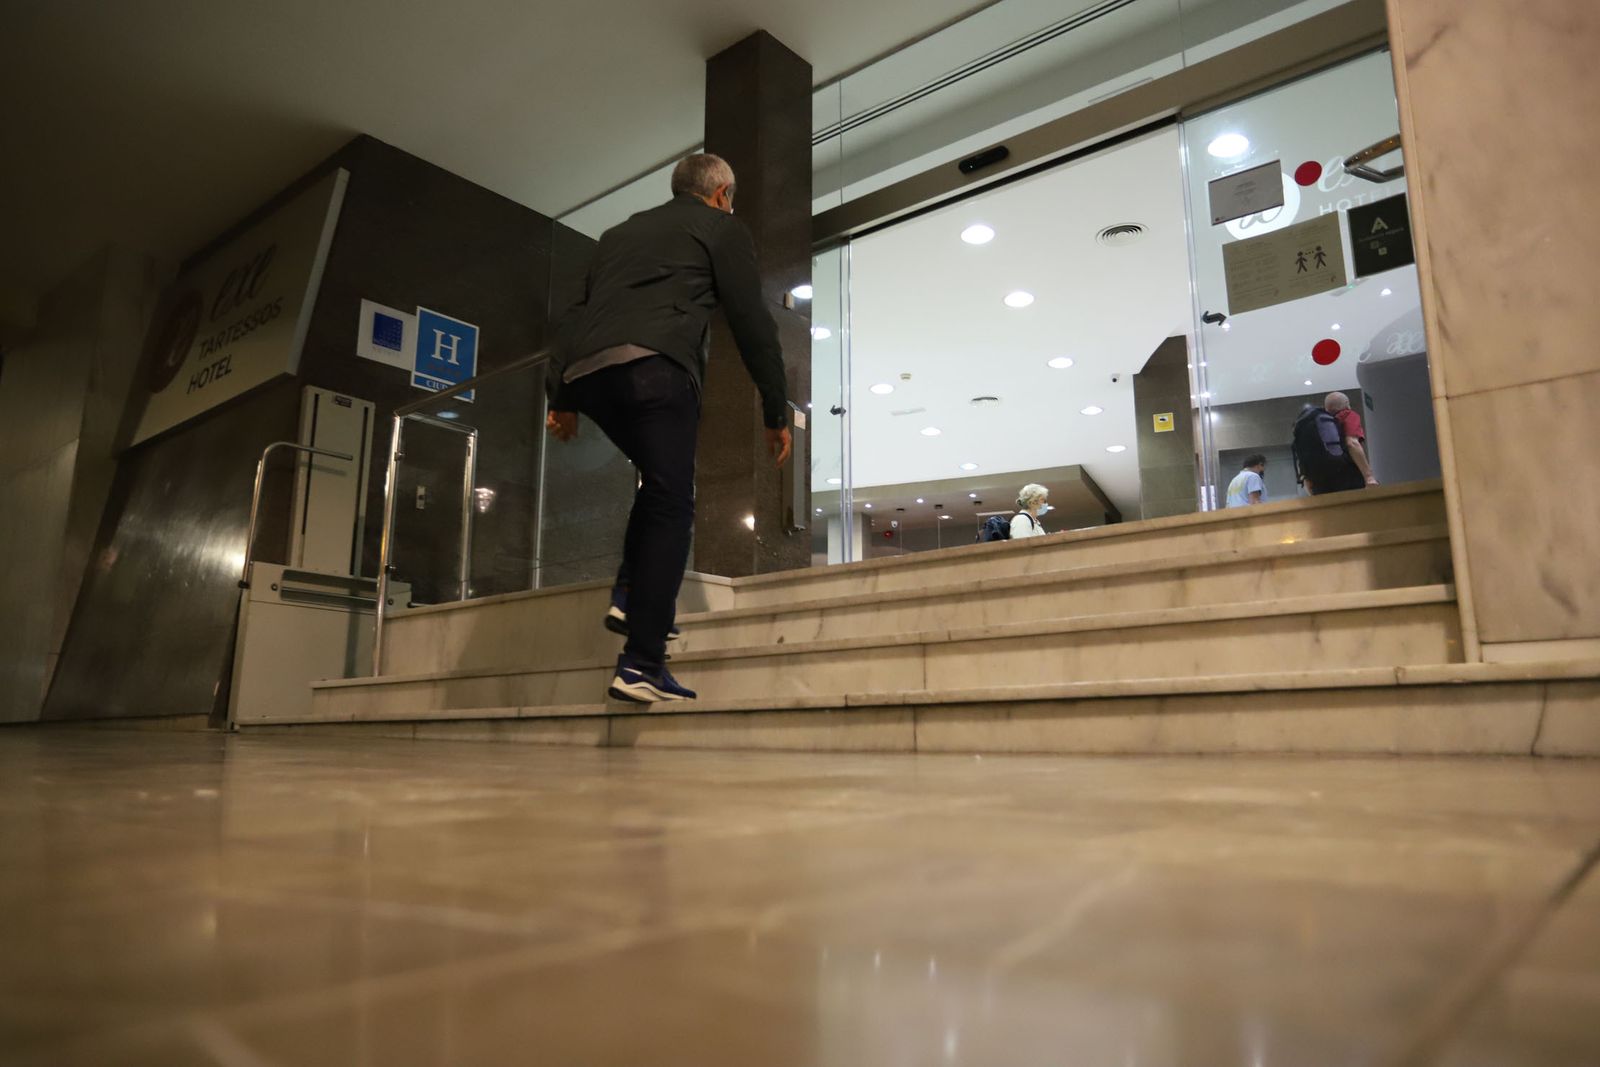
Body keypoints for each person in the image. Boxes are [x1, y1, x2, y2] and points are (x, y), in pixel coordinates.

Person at [545, 153, 792, 704]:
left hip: (589, 374)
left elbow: (573, 315)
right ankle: (641, 663)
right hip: (655, 370)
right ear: (722, 193)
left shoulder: (617, 234)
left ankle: (632, 593)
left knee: (659, 485)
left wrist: (559, 395)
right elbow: (752, 319)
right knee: (673, 501)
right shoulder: (720, 227)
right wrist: (776, 409)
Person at [1325, 391, 1378, 488]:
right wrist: (1369, 477)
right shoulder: (1348, 415)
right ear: (1347, 405)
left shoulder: (1321, 425)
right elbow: (1351, 443)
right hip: (1348, 477)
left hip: (1326, 483)